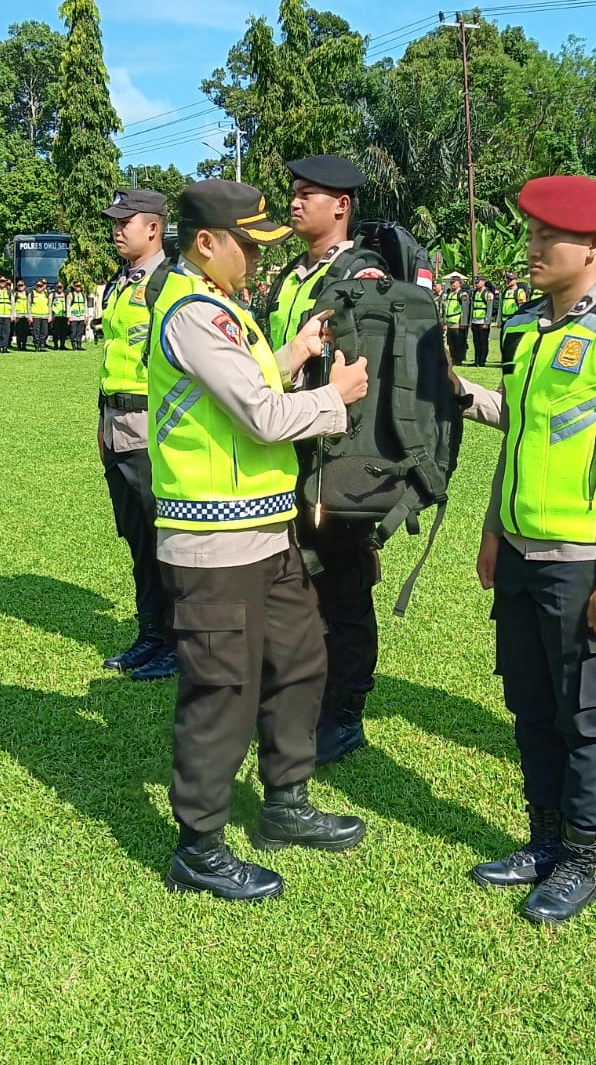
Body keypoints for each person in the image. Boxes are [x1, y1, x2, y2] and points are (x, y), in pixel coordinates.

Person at [452, 176, 596, 925]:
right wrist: (491, 531)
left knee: (585, 713)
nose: (535, 249)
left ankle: (580, 858)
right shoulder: (530, 332)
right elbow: (520, 434)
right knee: (530, 705)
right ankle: (541, 839)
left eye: (552, 238)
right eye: (533, 235)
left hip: (583, 561)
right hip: (519, 552)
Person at [150, 179, 369, 902]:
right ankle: (200, 847)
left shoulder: (224, 309)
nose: (255, 258)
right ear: (207, 243)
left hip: (264, 532)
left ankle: (285, 802)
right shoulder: (190, 312)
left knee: (300, 661)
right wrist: (334, 398)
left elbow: (247, 383)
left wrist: (292, 350)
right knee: (222, 689)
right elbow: (262, 417)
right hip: (213, 543)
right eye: (247, 245)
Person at [267, 154, 385, 764]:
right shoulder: (292, 274)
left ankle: (346, 711)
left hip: (336, 453)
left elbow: (366, 369)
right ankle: (309, 695)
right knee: (299, 584)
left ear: (340, 205)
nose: (293, 201)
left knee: (343, 585)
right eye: (293, 191)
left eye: (307, 193)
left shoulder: (362, 273)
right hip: (290, 444)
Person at [98, 188, 179, 681]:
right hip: (117, 425)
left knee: (165, 539)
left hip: (153, 427)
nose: (116, 229)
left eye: (125, 221)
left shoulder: (170, 282)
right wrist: (101, 427)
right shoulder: (120, 283)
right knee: (137, 538)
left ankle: (177, 639)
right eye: (115, 221)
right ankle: (151, 633)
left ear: (153, 228)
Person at [442, 277, 469, 364]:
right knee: (451, 342)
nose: (452, 284)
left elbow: (465, 309)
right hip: (450, 322)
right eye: (451, 282)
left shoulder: (462, 294)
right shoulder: (450, 293)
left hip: (457, 322)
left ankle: (459, 359)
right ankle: (453, 358)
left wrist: (463, 322)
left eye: (454, 282)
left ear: (459, 283)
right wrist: (445, 322)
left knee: (459, 342)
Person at [469, 276, 494, 366]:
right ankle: (477, 360)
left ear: (483, 282)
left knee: (483, 342)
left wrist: (487, 322)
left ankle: (482, 360)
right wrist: (470, 321)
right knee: (476, 342)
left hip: (482, 322)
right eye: (475, 282)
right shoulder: (474, 293)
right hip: (475, 321)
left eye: (478, 282)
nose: (476, 284)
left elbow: (489, 309)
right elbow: (472, 307)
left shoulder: (488, 294)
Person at [30, 280, 52, 351]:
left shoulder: (47, 294)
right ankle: (36, 345)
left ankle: (42, 345)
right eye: (38, 286)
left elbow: (49, 305)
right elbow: (28, 305)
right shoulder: (32, 293)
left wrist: (50, 315)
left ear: (43, 286)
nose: (39, 287)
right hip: (35, 316)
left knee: (45, 332)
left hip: (45, 316)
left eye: (41, 286)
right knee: (36, 332)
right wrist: (29, 316)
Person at [50, 282, 71, 349]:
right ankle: (55, 345)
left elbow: (68, 305)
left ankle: (62, 345)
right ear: (55, 287)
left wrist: (68, 316)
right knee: (55, 332)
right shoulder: (52, 295)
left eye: (61, 287)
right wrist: (50, 316)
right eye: (58, 287)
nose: (59, 289)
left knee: (64, 332)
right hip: (55, 316)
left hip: (64, 316)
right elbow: (50, 306)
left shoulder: (65, 295)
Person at [68, 282, 89, 349]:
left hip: (81, 316)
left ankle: (79, 345)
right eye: (77, 286)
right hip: (73, 317)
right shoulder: (70, 295)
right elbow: (68, 306)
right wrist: (69, 316)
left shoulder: (83, 295)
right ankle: (74, 345)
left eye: (79, 286)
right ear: (74, 287)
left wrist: (86, 316)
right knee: (73, 331)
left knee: (80, 331)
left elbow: (85, 306)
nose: (78, 287)